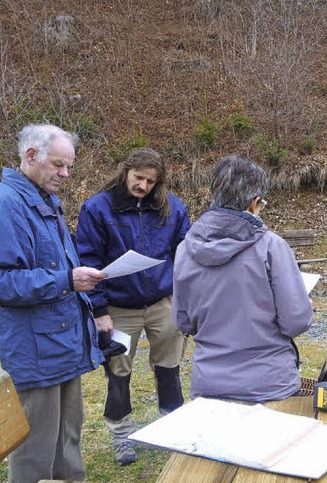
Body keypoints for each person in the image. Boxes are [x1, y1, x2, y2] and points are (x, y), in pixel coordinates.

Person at [0, 124, 107, 483]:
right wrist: (67, 280)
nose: (65, 174)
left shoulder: (45, 200)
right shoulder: (6, 203)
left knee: (67, 448)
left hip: (63, 346)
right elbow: (3, 282)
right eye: (58, 165)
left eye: (68, 167)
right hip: (34, 353)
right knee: (35, 456)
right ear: (31, 156)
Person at [76, 147, 190, 466]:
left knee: (169, 366)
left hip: (162, 301)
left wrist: (185, 294)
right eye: (138, 177)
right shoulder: (98, 208)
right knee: (118, 371)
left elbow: (187, 252)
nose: (143, 186)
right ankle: (122, 433)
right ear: (125, 171)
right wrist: (98, 311)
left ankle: (172, 423)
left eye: (150, 181)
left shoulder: (171, 207)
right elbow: (88, 260)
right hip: (117, 306)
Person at [172, 155, 313, 402]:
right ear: (254, 203)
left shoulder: (185, 249)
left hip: (209, 383)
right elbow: (296, 321)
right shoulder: (272, 247)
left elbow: (183, 321)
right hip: (269, 384)